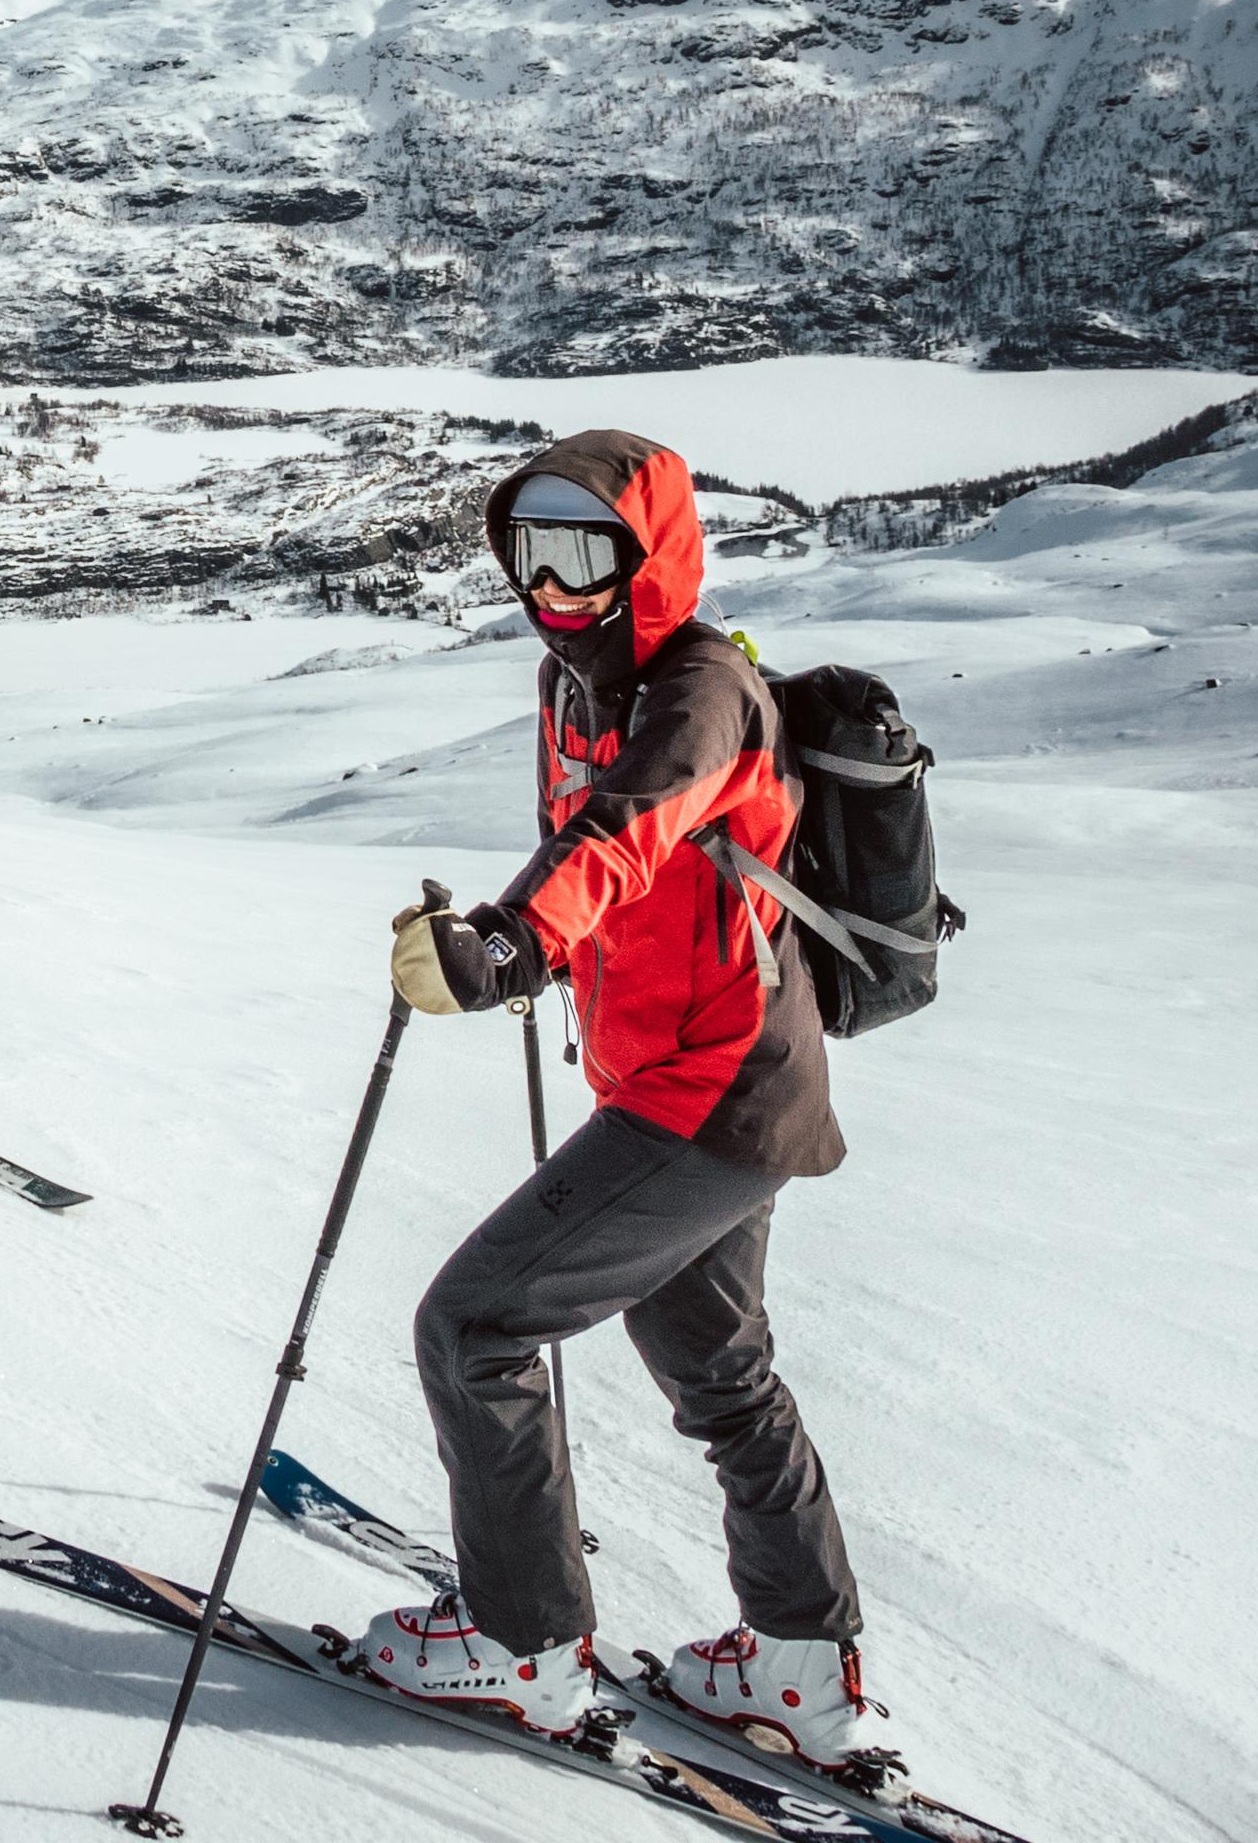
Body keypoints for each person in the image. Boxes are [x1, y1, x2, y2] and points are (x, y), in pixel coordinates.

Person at [352, 431, 883, 1771]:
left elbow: (628, 828)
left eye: (585, 552)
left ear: (650, 558)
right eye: (529, 551)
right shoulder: (571, 682)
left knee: (470, 1327)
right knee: (720, 1371)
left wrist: (516, 947)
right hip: (701, 1077)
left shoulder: (702, 692)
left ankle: (521, 1646)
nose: (553, 582)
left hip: (710, 1093)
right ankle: (801, 1672)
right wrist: (527, 940)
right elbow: (615, 873)